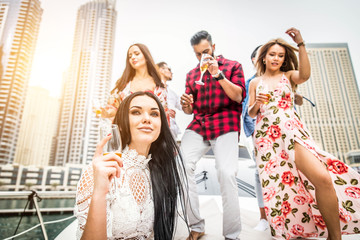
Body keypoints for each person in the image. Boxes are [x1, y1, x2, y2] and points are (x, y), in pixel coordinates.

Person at [248, 27, 360, 240]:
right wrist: (257, 103)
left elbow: (305, 75)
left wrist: (301, 44)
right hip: (267, 140)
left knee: (322, 178)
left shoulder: (288, 76)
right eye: (272, 54)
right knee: (283, 188)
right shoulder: (255, 82)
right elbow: (251, 112)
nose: (277, 58)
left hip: (291, 132)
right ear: (263, 57)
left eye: (280, 56)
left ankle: (334, 237)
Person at [75, 91, 188, 239]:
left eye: (154, 114)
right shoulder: (100, 171)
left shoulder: (162, 171)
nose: (147, 119)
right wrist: (99, 192)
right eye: (136, 112)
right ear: (120, 125)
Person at [180, 30, 246, 240]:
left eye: (206, 52)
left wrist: (218, 74)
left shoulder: (233, 66)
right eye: (198, 54)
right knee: (181, 165)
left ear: (214, 47)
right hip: (200, 123)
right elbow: (189, 110)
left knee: (226, 174)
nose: (202, 58)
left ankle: (232, 235)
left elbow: (237, 96)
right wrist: (186, 106)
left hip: (225, 122)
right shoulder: (191, 75)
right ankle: (196, 225)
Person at [242, 45, 269, 232]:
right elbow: (246, 111)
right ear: (255, 60)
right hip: (259, 133)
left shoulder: (282, 79)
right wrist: (253, 133)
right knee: (260, 174)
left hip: (284, 132)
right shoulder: (250, 82)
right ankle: (263, 218)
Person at [101, 43, 167, 120]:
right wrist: (106, 113)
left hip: (148, 128)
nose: (133, 57)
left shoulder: (158, 83)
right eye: (130, 56)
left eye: (136, 54)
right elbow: (113, 107)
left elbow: (163, 112)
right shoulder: (123, 83)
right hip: (124, 128)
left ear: (146, 57)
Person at [157, 61, 182, 140]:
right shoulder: (152, 88)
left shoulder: (172, 93)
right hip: (158, 130)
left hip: (171, 133)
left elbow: (183, 106)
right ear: (161, 70)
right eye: (169, 69)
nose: (172, 72)